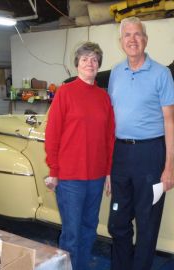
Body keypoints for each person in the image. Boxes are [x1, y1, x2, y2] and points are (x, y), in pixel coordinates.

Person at [107, 17, 174, 270]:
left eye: (137, 34)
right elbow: (110, 121)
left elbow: (170, 122)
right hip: (120, 154)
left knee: (147, 224)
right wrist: (107, 169)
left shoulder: (162, 74)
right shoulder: (116, 73)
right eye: (127, 35)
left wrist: (169, 167)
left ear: (145, 40)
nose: (132, 39)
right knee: (117, 222)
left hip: (150, 154)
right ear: (121, 42)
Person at [45, 42, 115, 270]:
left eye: (94, 59)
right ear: (77, 64)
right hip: (70, 178)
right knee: (72, 234)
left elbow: (109, 138)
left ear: (98, 65)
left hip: (95, 179)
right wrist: (54, 171)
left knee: (88, 230)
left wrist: (107, 172)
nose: (90, 63)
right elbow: (52, 134)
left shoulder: (103, 98)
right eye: (85, 59)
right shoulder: (65, 92)